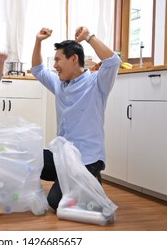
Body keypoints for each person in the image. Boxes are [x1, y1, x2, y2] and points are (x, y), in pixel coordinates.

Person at [31, 26, 121, 210]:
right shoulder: (59, 83)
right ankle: (68, 179)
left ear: (73, 59)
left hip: (87, 159)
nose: (54, 65)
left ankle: (90, 179)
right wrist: (38, 41)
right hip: (63, 155)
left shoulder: (97, 83)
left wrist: (88, 36)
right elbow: (38, 70)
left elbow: (113, 61)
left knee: (55, 203)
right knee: (30, 157)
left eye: (58, 59)